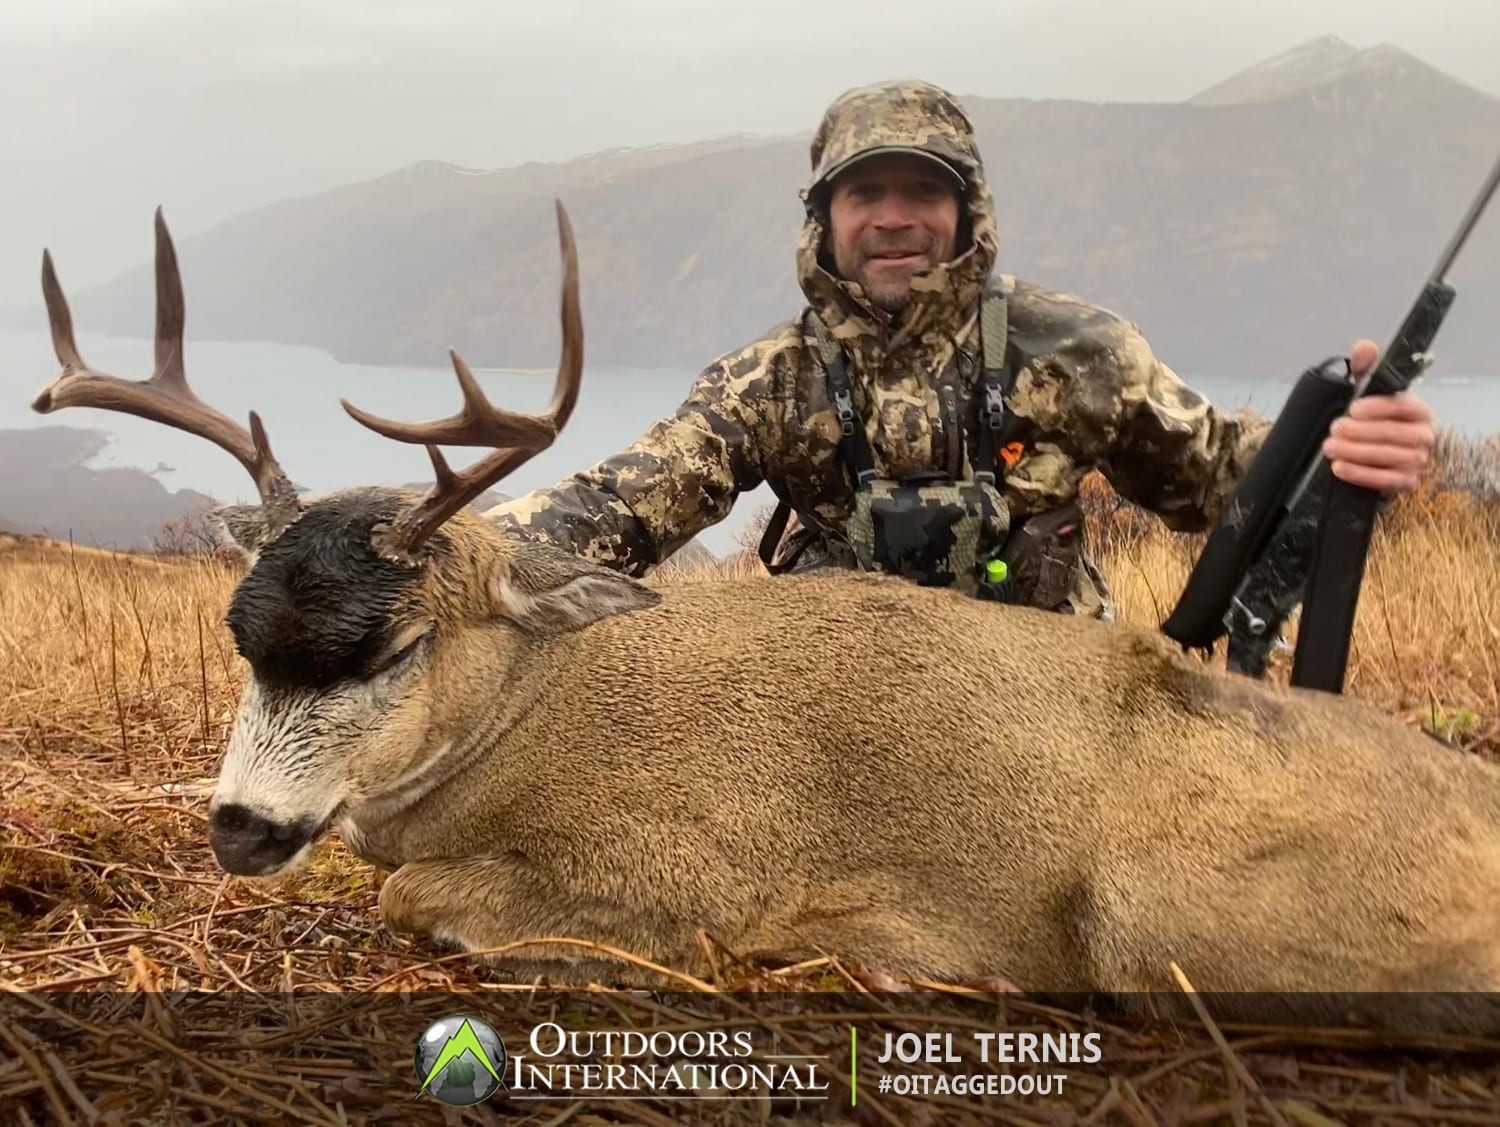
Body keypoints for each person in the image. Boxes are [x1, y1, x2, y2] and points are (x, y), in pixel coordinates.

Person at [486, 79, 1435, 619]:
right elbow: (620, 504)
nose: (894, 219)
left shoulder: (1080, 351)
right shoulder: (767, 383)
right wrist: (458, 553)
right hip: (843, 724)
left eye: (922, 193)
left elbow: (1224, 480)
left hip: (1058, 713)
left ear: (964, 212)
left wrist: (1346, 452)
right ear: (826, 219)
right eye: (866, 195)